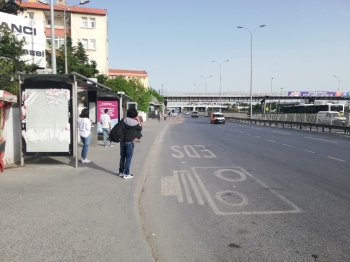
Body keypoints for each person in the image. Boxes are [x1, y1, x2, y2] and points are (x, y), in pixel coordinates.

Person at [118, 108, 142, 179]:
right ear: (135, 114)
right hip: (130, 142)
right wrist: (138, 120)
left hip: (122, 141)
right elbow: (140, 128)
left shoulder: (123, 120)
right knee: (128, 158)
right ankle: (126, 173)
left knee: (122, 157)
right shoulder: (135, 122)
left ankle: (121, 172)